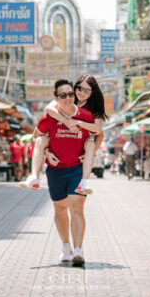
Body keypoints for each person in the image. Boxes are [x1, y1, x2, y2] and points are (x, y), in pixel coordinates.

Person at [33, 79, 95, 267]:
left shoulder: (85, 115)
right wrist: (46, 152)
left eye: (70, 94)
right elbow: (37, 136)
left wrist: (90, 153)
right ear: (56, 98)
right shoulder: (49, 117)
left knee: (77, 207)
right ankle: (65, 246)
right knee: (60, 210)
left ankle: (78, 250)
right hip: (56, 170)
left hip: (76, 168)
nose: (68, 98)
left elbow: (96, 135)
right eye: (63, 95)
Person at [20, 74, 106, 195]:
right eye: (79, 88)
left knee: (90, 143)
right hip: (57, 157)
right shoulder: (68, 98)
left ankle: (85, 182)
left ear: (92, 92)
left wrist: (90, 153)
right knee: (41, 140)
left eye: (87, 90)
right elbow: (49, 109)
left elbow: (99, 132)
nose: (81, 92)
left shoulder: (92, 109)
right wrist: (47, 152)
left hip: (80, 151)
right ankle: (34, 177)